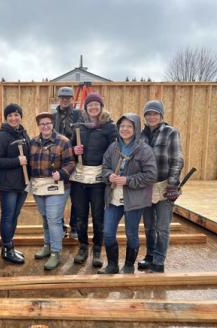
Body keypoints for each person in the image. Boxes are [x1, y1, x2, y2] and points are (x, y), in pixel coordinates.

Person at [99, 113, 157, 274]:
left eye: (129, 126)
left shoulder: (144, 150)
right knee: (108, 232)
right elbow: (104, 167)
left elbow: (151, 175)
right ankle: (112, 265)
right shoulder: (114, 147)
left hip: (134, 198)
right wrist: (108, 175)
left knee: (131, 233)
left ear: (136, 129)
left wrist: (128, 180)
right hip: (113, 196)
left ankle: (129, 265)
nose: (125, 129)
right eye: (122, 126)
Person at [70, 93, 117, 268]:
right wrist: (75, 150)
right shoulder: (78, 127)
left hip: (98, 179)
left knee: (98, 215)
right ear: (86, 108)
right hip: (80, 178)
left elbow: (114, 151)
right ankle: (83, 246)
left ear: (101, 107)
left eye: (96, 104)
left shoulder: (109, 128)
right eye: (90, 105)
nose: (93, 108)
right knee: (80, 215)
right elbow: (70, 150)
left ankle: (97, 248)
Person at [137, 100, 184, 273]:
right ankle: (149, 256)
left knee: (162, 227)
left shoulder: (171, 133)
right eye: (148, 114)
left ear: (161, 115)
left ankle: (159, 259)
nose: (151, 116)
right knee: (149, 226)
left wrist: (173, 184)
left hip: (165, 186)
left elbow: (177, 159)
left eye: (155, 113)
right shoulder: (141, 136)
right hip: (146, 187)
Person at [30, 112, 75, 270]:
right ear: (38, 126)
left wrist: (61, 173)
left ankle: (56, 252)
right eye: (42, 124)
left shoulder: (63, 142)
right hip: (39, 187)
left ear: (52, 124)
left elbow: (71, 163)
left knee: (54, 219)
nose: (45, 126)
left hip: (58, 187)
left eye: (48, 123)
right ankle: (47, 245)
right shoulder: (33, 142)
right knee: (45, 218)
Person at [0, 103, 30, 264]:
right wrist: (16, 161)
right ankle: (7, 248)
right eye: (10, 116)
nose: (14, 118)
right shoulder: (2, 136)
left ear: (21, 116)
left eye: (16, 115)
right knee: (8, 216)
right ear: (6, 119)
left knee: (15, 215)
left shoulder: (23, 133)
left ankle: (10, 245)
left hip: (23, 183)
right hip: (8, 184)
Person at [53, 86, 82, 239]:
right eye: (62, 98)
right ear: (59, 98)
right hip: (58, 163)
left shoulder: (78, 115)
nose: (64, 100)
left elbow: (83, 134)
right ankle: (61, 226)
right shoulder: (53, 116)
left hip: (75, 162)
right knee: (57, 197)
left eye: (67, 98)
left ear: (72, 99)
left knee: (76, 197)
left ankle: (75, 227)